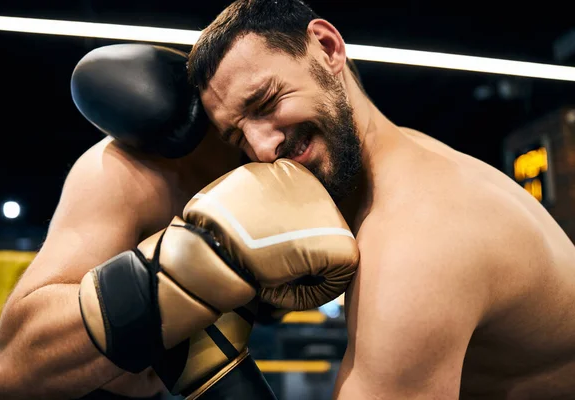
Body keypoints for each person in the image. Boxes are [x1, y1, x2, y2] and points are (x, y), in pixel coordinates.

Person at [186, 0, 575, 398]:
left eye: (267, 102)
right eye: (238, 138)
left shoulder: (417, 241)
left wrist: (217, 379)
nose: (262, 148)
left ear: (327, 47)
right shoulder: (406, 157)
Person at [0, 43, 359, 400]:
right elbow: (11, 368)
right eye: (258, 101)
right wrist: (183, 267)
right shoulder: (125, 173)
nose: (264, 141)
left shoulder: (316, 178)